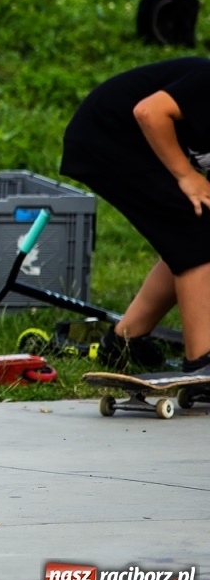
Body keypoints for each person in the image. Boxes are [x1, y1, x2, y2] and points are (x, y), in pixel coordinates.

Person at [60, 56, 210, 375]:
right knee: (196, 234)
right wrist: (185, 175)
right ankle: (202, 364)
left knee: (190, 237)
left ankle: (124, 343)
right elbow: (149, 111)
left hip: (133, 145)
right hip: (108, 136)